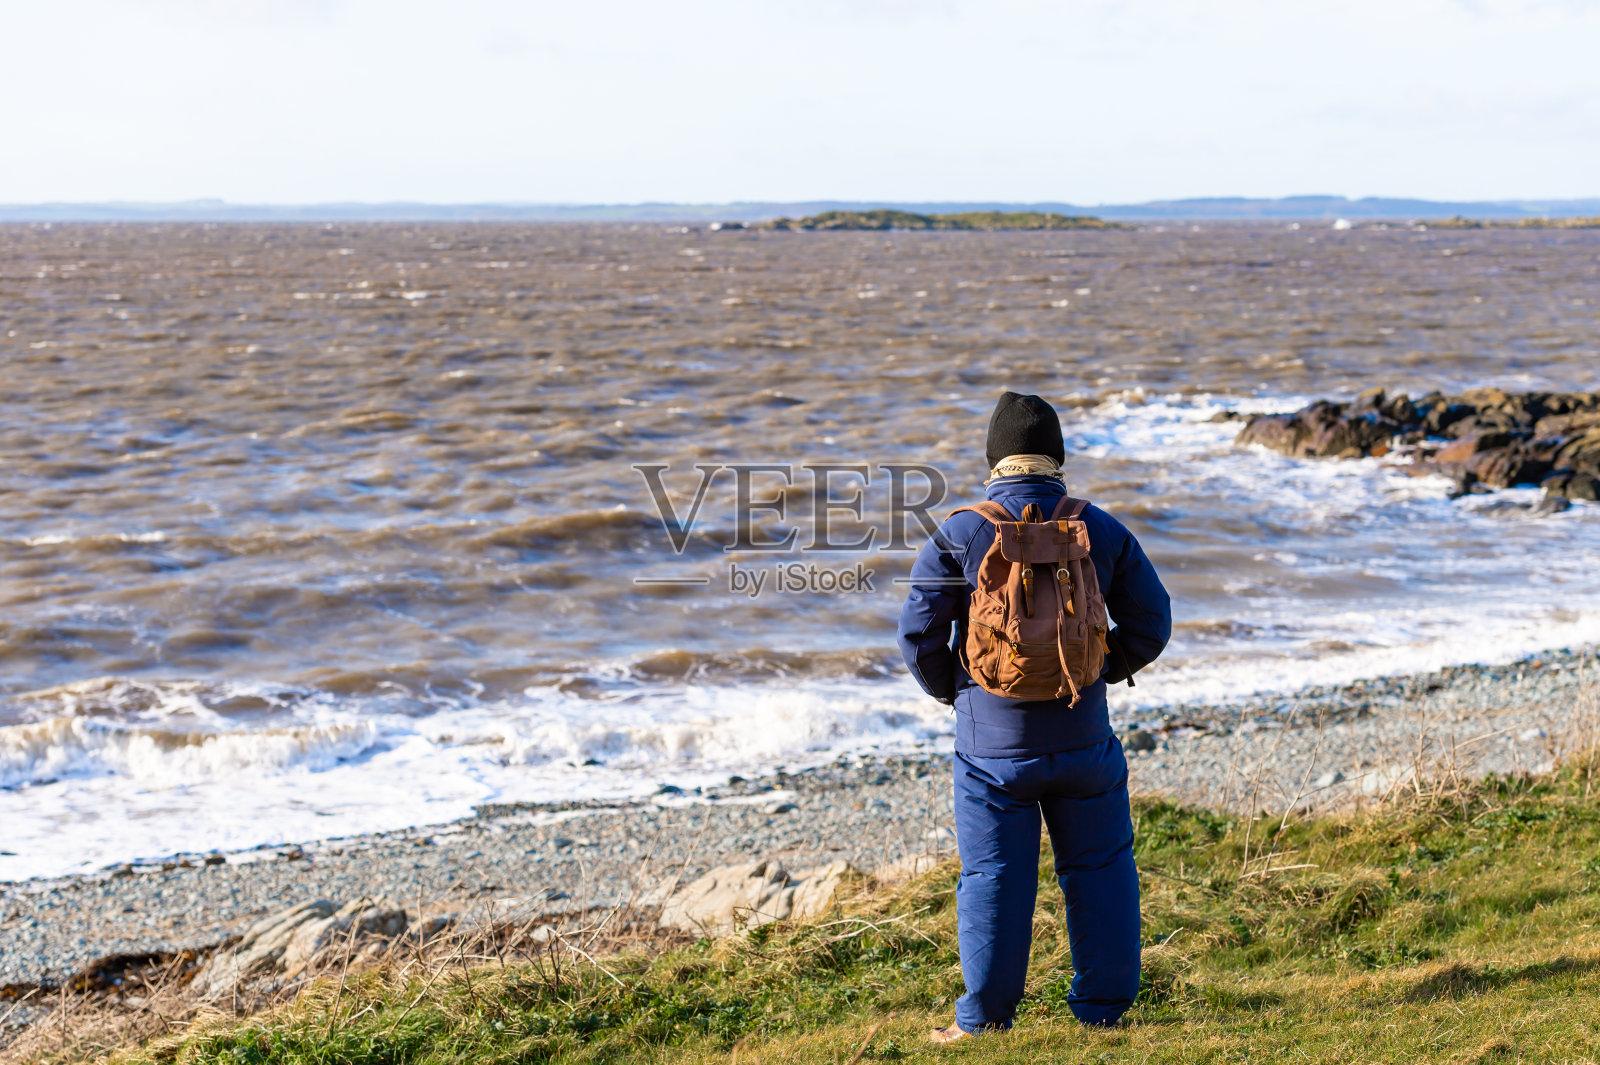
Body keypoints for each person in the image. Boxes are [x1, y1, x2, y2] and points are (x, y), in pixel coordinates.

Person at [896, 391, 1172, 1042]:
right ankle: (1104, 1012)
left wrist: (962, 695)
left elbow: (916, 635)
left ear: (995, 458)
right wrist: (1097, 670)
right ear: (1057, 457)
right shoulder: (1098, 527)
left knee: (993, 877)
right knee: (1101, 869)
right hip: (1085, 737)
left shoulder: (961, 531)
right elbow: (1153, 621)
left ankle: (983, 1021)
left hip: (992, 749)